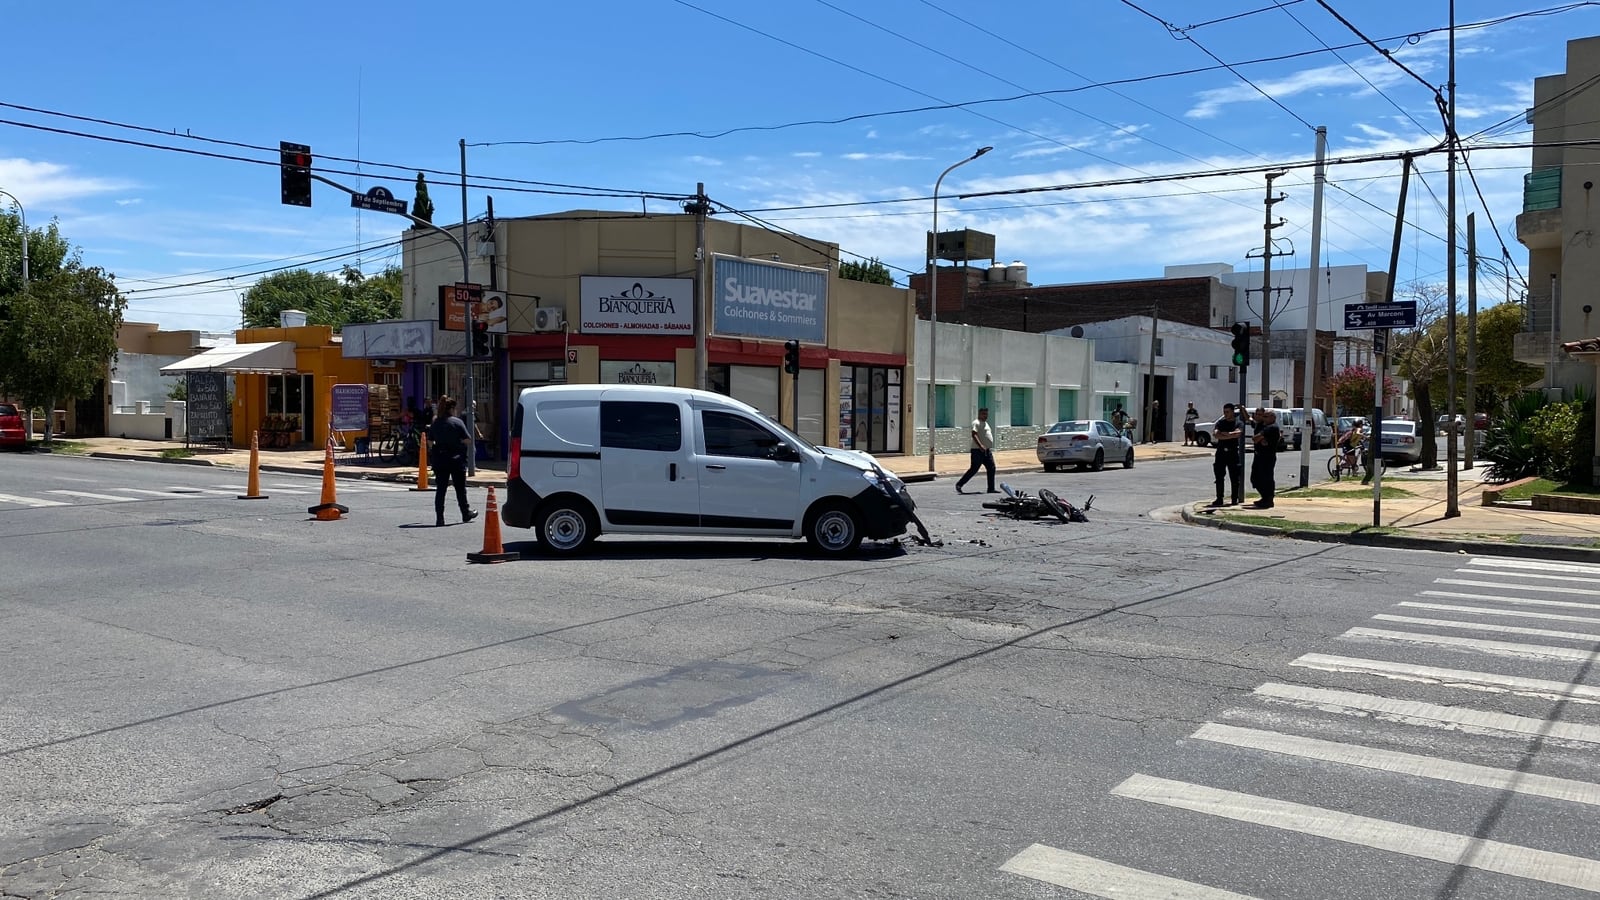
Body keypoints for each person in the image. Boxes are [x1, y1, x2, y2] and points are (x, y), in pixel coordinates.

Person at [427, 396, 478, 527]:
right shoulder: (457, 422)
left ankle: (440, 518)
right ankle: (465, 513)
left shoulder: (436, 422)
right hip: (456, 460)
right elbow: (468, 439)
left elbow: (430, 442)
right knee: (460, 489)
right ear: (451, 409)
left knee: (441, 490)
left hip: (440, 460)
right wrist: (457, 442)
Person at [955, 407, 997, 494]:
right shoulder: (976, 423)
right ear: (979, 414)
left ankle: (991, 488)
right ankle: (959, 484)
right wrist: (980, 445)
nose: (985, 416)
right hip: (977, 451)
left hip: (986, 451)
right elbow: (974, 434)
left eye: (986, 414)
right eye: (983, 414)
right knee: (974, 469)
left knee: (991, 468)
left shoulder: (985, 423)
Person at [1210, 403, 1244, 507]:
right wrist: (1230, 435)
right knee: (1219, 476)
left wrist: (1225, 434)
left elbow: (1238, 433)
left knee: (1234, 477)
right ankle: (1219, 498)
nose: (1225, 414)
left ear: (1233, 412)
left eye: (1227, 412)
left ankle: (1234, 499)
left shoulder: (1238, 422)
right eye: (1224, 412)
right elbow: (1216, 434)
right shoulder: (1221, 422)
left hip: (1232, 452)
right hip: (1221, 453)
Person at [1249, 408, 1281, 509]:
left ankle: (1268, 499)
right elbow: (1256, 439)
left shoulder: (1272, 427)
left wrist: (1260, 439)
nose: (1263, 418)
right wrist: (1261, 439)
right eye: (1263, 416)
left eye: (1266, 416)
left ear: (1273, 418)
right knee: (1255, 478)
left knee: (1266, 478)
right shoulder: (1264, 427)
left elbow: (1255, 438)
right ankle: (1264, 497)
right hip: (1259, 456)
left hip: (1267, 457)